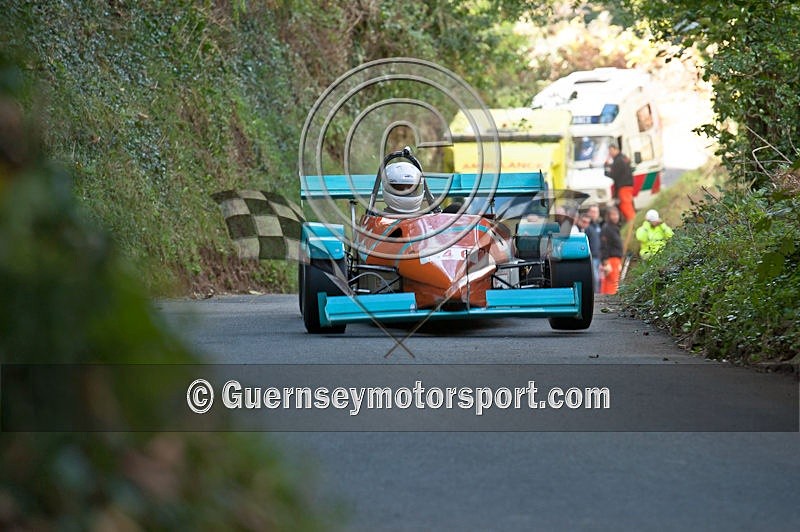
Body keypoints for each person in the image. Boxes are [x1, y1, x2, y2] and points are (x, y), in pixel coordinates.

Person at [605, 144, 636, 222]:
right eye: (609, 152)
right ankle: (631, 222)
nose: (610, 154)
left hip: (624, 187)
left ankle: (632, 222)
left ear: (616, 150)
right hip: (628, 185)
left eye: (611, 151)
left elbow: (614, 174)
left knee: (626, 206)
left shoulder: (618, 160)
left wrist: (606, 173)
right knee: (626, 205)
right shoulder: (623, 158)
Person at [600, 206, 623, 295]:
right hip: (611, 259)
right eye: (613, 215)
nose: (615, 217)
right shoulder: (607, 228)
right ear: (608, 216)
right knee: (612, 282)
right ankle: (609, 302)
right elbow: (604, 245)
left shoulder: (614, 228)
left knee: (610, 282)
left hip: (616, 259)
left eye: (616, 214)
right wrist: (605, 261)